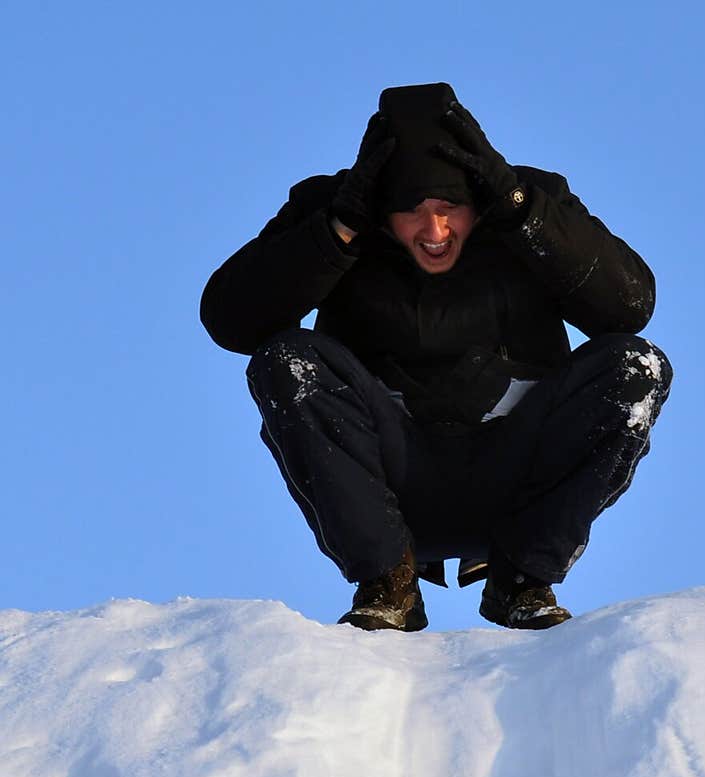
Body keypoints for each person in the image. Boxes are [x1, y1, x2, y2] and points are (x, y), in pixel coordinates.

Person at [200, 82, 672, 632]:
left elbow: (630, 307)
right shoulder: (334, 210)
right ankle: (387, 581)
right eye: (412, 211)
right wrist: (337, 231)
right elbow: (230, 322)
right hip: (393, 477)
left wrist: (522, 210)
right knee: (287, 360)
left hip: (517, 473)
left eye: (450, 208)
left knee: (636, 367)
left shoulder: (526, 201)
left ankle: (523, 578)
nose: (434, 231)